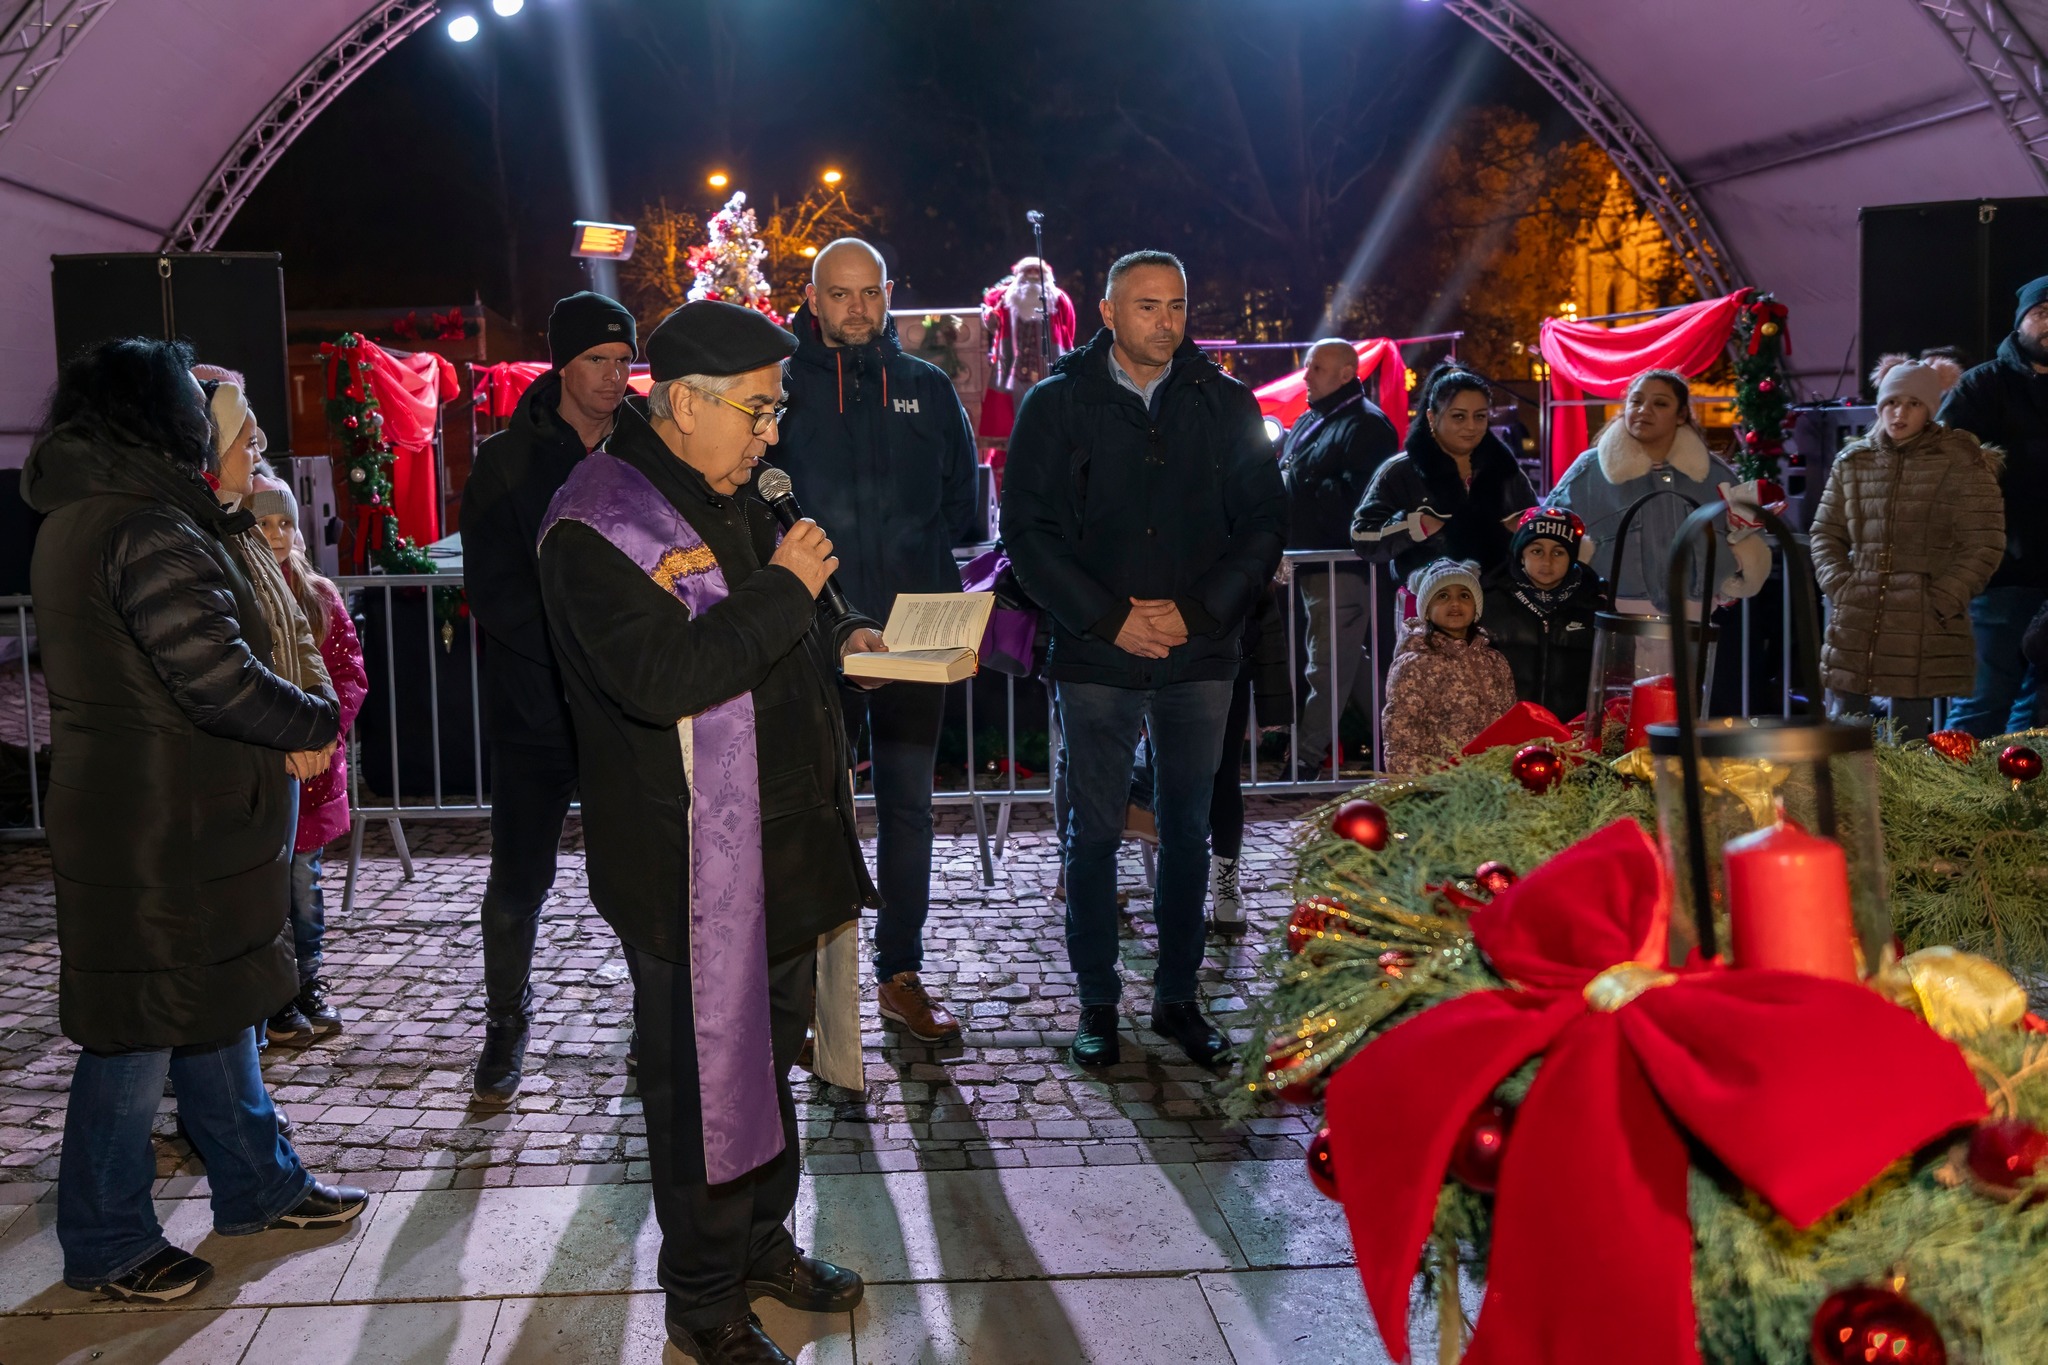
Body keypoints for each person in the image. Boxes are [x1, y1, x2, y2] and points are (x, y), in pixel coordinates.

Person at [537, 300, 883, 1365]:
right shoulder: (599, 522)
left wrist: (846, 632)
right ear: (685, 405)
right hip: (687, 866)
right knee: (702, 1087)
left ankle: (761, 1248)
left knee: (766, 1063)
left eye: (776, 411)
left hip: (783, 843)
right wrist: (787, 590)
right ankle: (702, 1301)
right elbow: (666, 678)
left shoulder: (734, 491)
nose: (772, 435)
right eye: (758, 410)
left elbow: (786, 626)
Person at [25, 338, 367, 1304]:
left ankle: (259, 1182)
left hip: (165, 815)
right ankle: (108, 1239)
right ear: (155, 414)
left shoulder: (99, 512)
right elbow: (216, 676)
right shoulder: (140, 524)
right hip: (158, 827)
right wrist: (316, 718)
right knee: (135, 1032)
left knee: (212, 1004)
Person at [1002, 249, 1286, 1071]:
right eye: (1147, 306)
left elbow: (1264, 522)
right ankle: (1097, 1000)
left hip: (1201, 653)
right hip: (1096, 653)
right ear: (1108, 312)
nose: (1166, 322)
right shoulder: (1057, 402)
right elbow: (1027, 532)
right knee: (1092, 832)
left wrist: (1195, 613)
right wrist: (1109, 617)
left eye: (1176, 305)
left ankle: (1177, 997)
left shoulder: (1226, 401)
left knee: (1188, 832)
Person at [772, 238, 981, 1043]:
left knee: (908, 807)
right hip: (812, 639)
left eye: (869, 294)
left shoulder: (928, 387)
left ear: (888, 293)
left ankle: (901, 973)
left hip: (914, 637)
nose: (857, 309)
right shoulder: (782, 389)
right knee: (812, 813)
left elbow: (961, 507)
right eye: (840, 294)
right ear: (813, 298)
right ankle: (807, 994)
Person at [461, 290, 637, 1101]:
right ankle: (505, 1022)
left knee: (638, 876)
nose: (613, 375)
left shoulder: (647, 446)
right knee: (518, 882)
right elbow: (494, 589)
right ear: (564, 364)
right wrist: (577, 647)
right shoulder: (505, 460)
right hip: (534, 708)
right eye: (598, 359)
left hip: (625, 707)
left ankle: (655, 1022)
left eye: (623, 360)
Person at [1811, 357, 2005, 740]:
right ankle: (1850, 783)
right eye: (1891, 402)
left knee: (1908, 734)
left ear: (1930, 410)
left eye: (1913, 404)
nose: (1899, 413)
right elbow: (1825, 532)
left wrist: (1941, 599)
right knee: (1846, 731)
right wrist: (1841, 585)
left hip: (1922, 616)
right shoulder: (1854, 462)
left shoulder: (1961, 462)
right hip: (1858, 611)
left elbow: (1984, 542)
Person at [250, 470, 368, 1038]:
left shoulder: (318, 595)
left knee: (303, 884)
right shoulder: (239, 591)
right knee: (265, 890)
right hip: (264, 769)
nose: (276, 535)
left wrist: (325, 733)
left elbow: (347, 674)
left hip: (314, 770)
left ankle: (308, 979)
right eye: (264, 524)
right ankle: (274, 996)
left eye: (284, 523)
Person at [1546, 368, 1771, 616]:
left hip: (1696, 616)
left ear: (1681, 415)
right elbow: (1546, 528)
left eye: (1660, 403)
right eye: (1636, 401)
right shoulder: (1589, 471)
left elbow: (1747, 535)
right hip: (1610, 614)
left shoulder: (1715, 474)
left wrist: (1730, 574)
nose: (1644, 410)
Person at [1282, 339, 1400, 774]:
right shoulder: (1315, 418)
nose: (1306, 376)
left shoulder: (1368, 425)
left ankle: (1305, 759)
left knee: (1327, 665)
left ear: (1347, 374)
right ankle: (1401, 739)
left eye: (1315, 368)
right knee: (1347, 661)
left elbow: (1362, 501)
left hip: (1342, 564)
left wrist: (1304, 482)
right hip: (1315, 561)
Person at [1938, 275, 2048, 736]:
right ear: (2020, 321)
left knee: (2038, 713)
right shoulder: (1983, 385)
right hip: (2001, 575)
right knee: (1982, 703)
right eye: (2041, 312)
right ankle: (1952, 785)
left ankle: (2019, 782)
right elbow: (1942, 469)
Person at [1350, 364, 1536, 588]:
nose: (1471, 426)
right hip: (1423, 600)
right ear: (1431, 417)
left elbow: (1537, 529)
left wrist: (1523, 528)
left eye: (1480, 416)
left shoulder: (1505, 469)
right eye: (1459, 417)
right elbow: (1363, 536)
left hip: (1500, 600)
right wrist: (1414, 526)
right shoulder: (1402, 471)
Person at [1207, 583, 1292, 937]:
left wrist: (1273, 697)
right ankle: (1180, 886)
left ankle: (1225, 882)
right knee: (1175, 783)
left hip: (1230, 658)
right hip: (1167, 661)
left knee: (1225, 776)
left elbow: (1263, 603)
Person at [1380, 558, 1518, 774]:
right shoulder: (1414, 664)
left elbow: (1510, 723)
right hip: (1440, 782)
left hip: (1492, 780)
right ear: (1426, 610)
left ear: (1476, 608)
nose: (1455, 603)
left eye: (1464, 596)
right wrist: (1418, 784)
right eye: (1443, 596)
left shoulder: (1495, 661)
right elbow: (1401, 735)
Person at [1481, 508, 1609, 722]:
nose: (1547, 562)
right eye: (1536, 551)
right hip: (1502, 731)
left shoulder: (1596, 606)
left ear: (1572, 557)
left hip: (1573, 733)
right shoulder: (1487, 601)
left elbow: (1613, 681)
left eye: (1558, 553)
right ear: (1521, 554)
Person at [982, 255, 1078, 392]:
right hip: (1015, 369)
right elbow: (991, 315)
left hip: (1050, 363)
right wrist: (991, 317)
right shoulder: (1007, 297)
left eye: (1037, 271)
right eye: (1028, 271)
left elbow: (1069, 325)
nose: (1033, 274)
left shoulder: (1058, 298)